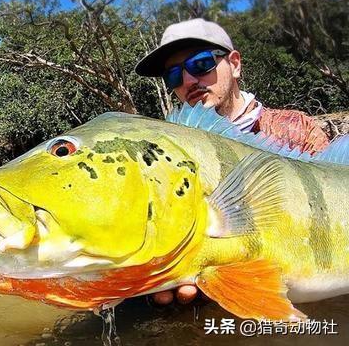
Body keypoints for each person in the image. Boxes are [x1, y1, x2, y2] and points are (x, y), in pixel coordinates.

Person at [134, 18, 330, 305]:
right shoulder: (165, 156)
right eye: (174, 76)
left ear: (235, 64)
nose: (188, 81)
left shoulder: (296, 131)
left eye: (201, 64)